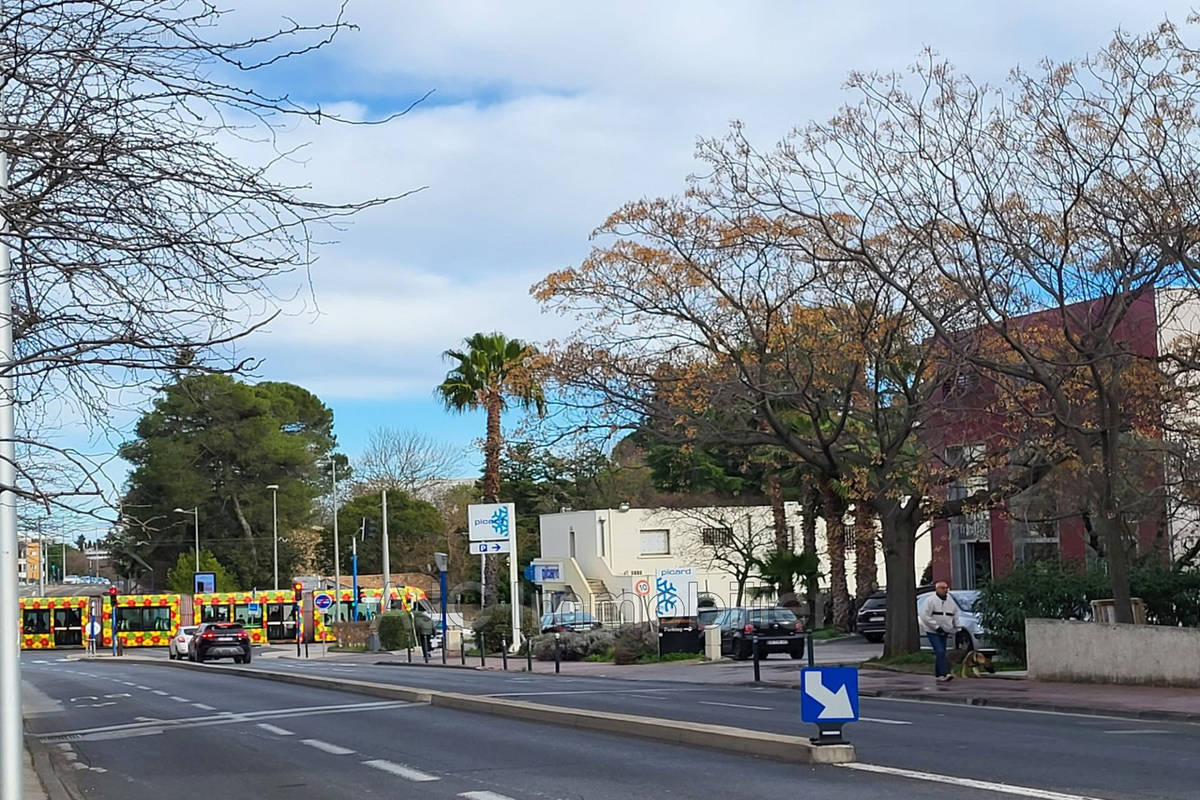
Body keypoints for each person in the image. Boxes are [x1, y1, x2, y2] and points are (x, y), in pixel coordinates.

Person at [919, 581, 960, 682]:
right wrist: (936, 627)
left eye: (946, 588)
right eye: (942, 588)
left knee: (941, 652)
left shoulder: (951, 602)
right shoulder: (930, 601)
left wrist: (957, 627)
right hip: (932, 631)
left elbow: (955, 615)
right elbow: (925, 615)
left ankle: (938, 674)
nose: (945, 590)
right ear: (937, 589)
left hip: (945, 630)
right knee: (940, 651)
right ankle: (945, 673)